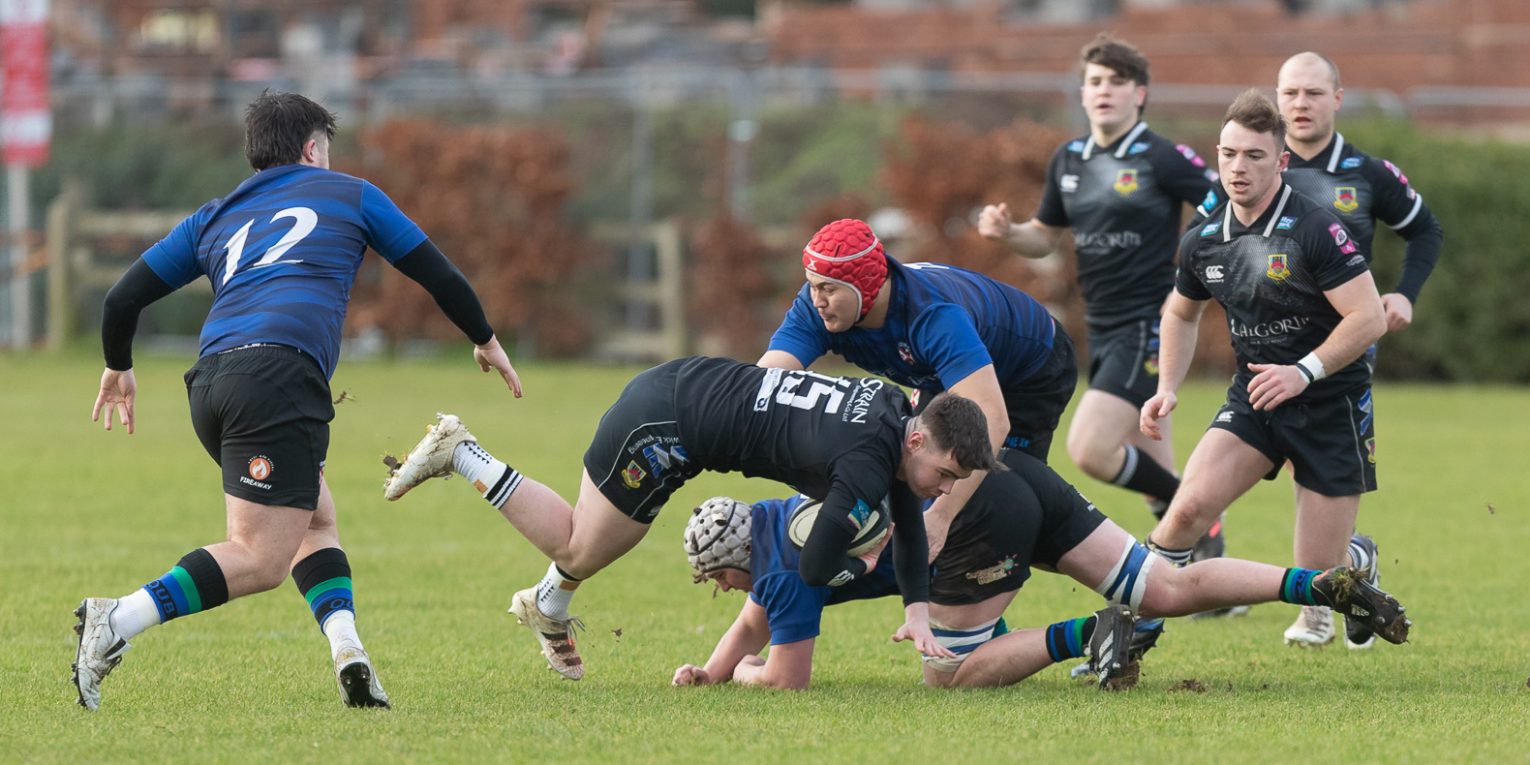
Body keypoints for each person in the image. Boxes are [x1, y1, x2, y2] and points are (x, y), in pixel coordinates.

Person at [74, 91, 522, 711]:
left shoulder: (216, 213)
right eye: (328, 151)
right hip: (278, 380)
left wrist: (118, 366)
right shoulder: (351, 194)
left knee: (314, 517)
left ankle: (350, 653)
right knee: (260, 558)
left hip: (212, 383)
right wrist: (485, 338)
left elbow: (121, 299)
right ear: (312, 150)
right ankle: (117, 618)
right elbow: (437, 273)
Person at [381, 356, 1005, 680]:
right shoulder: (871, 462)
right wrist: (860, 561)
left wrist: (916, 610)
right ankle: (462, 453)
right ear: (919, 442)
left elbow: (901, 500)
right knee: (579, 547)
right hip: (665, 426)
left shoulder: (897, 412)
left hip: (685, 392)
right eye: (946, 476)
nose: (941, 491)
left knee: (593, 546)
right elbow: (814, 567)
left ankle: (548, 605)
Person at [672, 450, 1410, 691]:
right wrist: (711, 668)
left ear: (733, 564)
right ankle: (1316, 583)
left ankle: (1087, 635)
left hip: (979, 518)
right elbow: (748, 626)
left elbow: (784, 677)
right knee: (1167, 584)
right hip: (1009, 466)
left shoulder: (780, 572)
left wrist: (737, 676)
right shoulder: (790, 505)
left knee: (947, 673)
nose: (727, 590)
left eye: (718, 577)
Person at [1140, 89, 1389, 650]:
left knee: (1321, 577)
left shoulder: (1316, 229)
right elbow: (1179, 313)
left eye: (1254, 155)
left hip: (1331, 403)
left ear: (1280, 161)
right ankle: (1131, 629)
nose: (1237, 167)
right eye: (1228, 154)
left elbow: (1369, 317)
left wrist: (1303, 370)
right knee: (1187, 511)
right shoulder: (1203, 239)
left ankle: (1355, 557)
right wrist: (1167, 387)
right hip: (1254, 397)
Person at [977, 34, 1220, 545]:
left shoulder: (1161, 156)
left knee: (1090, 448)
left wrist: (1194, 260)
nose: (1104, 90)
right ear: (1083, 94)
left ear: (1140, 94)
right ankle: (1201, 559)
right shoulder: (1070, 160)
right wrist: (1007, 231)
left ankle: (1198, 512)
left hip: (1152, 322)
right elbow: (1043, 239)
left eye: (1117, 81)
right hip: (1102, 325)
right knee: (1153, 460)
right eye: (1094, 81)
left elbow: (1224, 203)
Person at [757, 217, 1075, 566]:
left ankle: (1129, 570)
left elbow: (993, 421)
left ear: (866, 286)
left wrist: (941, 517)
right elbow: (766, 383)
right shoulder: (817, 307)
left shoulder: (933, 317)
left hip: (1032, 368)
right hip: (940, 378)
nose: (817, 300)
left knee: (1002, 498)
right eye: (812, 286)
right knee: (920, 477)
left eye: (828, 289)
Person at [1274, 52, 1443, 650]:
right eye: (1290, 92)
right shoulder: (1265, 168)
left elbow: (1426, 230)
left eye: (1313, 93)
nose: (1301, 104)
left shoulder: (1368, 174)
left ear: (1338, 98)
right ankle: (1352, 560)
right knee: (1303, 472)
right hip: (1275, 354)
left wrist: (1404, 293)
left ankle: (1317, 609)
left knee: (1318, 473)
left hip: (1342, 351)